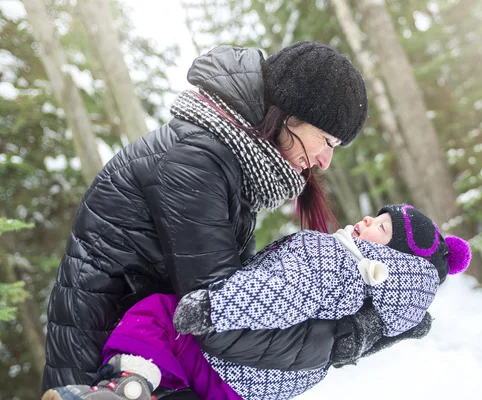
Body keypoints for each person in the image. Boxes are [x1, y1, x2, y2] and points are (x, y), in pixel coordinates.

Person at [41, 40, 370, 398]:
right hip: (111, 369)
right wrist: (339, 339)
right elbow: (219, 318)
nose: (324, 161)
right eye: (326, 141)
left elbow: (235, 299)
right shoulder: (195, 162)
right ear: (288, 115)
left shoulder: (230, 162)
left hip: (147, 356)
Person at [42, 204, 471, 400]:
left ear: (393, 256)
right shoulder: (373, 303)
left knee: (158, 313)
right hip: (254, 389)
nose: (364, 221)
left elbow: (280, 293)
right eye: (375, 215)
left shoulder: (341, 262)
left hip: (227, 366)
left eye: (380, 226)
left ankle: (125, 384)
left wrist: (214, 307)